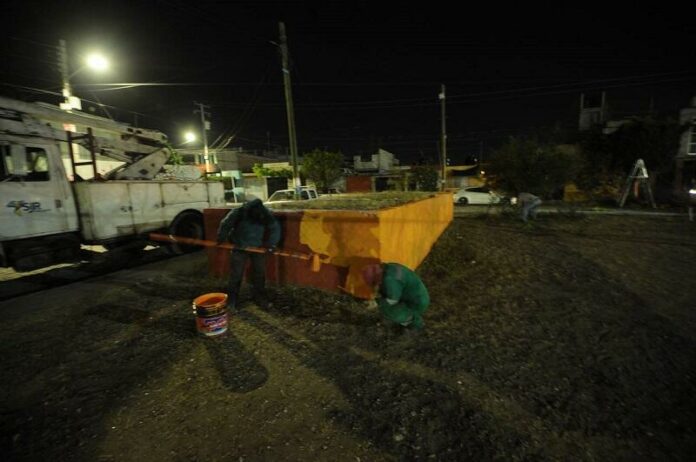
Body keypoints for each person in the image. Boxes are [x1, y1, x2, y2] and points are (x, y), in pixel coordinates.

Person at [217, 198, 281, 309]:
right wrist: (221, 238)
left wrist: (271, 244)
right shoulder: (239, 212)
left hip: (257, 248)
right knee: (236, 275)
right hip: (238, 247)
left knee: (259, 273)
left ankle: (259, 297)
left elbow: (275, 228)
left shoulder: (265, 213)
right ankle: (232, 300)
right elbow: (225, 224)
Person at [361, 262, 430, 331]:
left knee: (388, 310)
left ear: (375, 277)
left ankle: (414, 322)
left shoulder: (389, 280)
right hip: (418, 294)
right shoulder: (388, 267)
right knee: (385, 303)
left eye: (373, 282)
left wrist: (377, 303)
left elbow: (392, 300)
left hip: (417, 303)